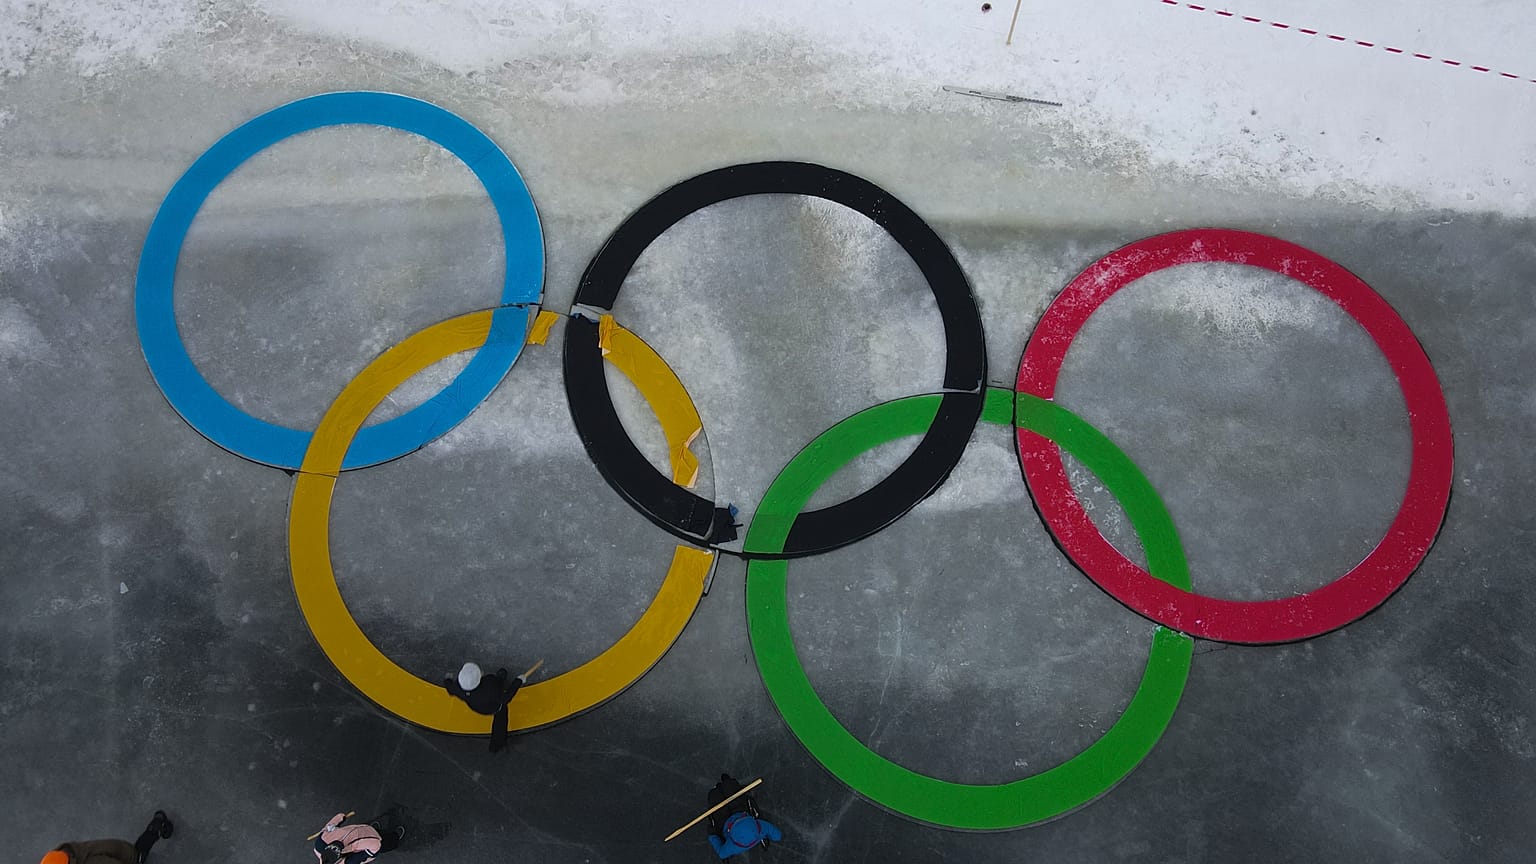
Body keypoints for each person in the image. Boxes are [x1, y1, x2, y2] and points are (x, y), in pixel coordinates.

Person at [444, 661, 526, 753]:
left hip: (476, 706)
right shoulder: (490, 685)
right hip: (495, 707)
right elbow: (505, 699)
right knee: (501, 720)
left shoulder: (457, 688)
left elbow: (450, 689)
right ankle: (498, 743)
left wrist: (447, 680)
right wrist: (518, 682)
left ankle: (495, 747)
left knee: (500, 720)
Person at [41, 810, 173, 864]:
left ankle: (157, 825)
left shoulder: (91, 862)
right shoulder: (69, 851)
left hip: (126, 856)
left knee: (139, 854)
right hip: (115, 848)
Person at [705, 774, 782, 859]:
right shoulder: (761, 828)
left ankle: (717, 789)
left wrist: (713, 835)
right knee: (731, 788)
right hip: (740, 811)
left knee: (714, 796)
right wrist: (768, 836)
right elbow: (777, 836)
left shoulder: (732, 847)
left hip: (724, 821)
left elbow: (721, 853)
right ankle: (727, 783)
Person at [311, 811, 404, 863]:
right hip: (373, 843)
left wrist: (340, 818)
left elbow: (328, 827)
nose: (340, 843)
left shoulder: (320, 844)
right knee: (386, 843)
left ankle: (372, 830)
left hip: (359, 830)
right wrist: (354, 846)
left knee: (369, 830)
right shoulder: (349, 862)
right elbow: (375, 846)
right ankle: (395, 839)